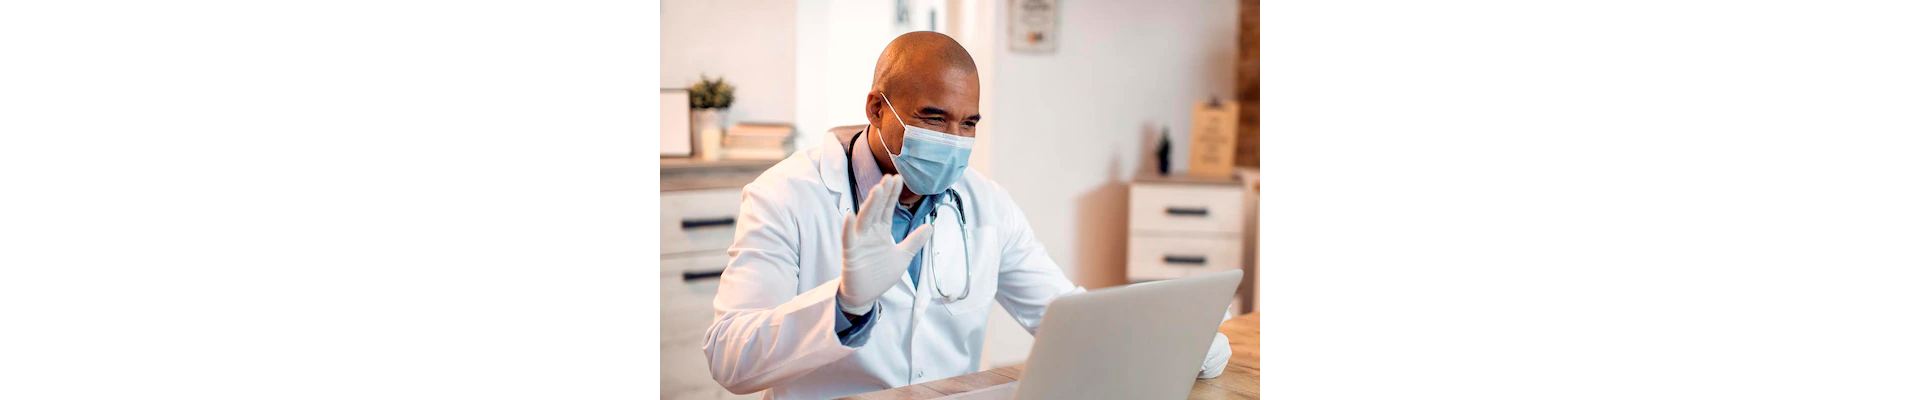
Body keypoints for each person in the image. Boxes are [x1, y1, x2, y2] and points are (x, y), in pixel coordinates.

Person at [701, 31, 1232, 399]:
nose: (953, 140)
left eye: (969, 123)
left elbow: (1064, 315)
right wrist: (846, 305)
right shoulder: (786, 195)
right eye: (933, 118)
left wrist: (1177, 341)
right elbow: (730, 359)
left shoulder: (985, 203)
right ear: (877, 108)